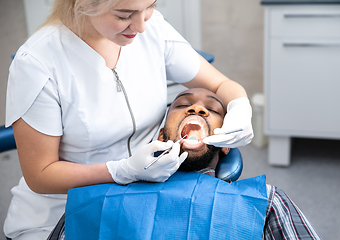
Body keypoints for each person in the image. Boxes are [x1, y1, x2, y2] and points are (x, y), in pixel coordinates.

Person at [4, 1, 254, 239]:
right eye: (124, 15)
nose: (142, 25)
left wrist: (239, 103)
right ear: (83, 4)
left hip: (143, 198)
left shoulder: (153, 28)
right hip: (63, 211)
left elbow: (221, 84)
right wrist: (121, 170)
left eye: (150, 6)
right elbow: (40, 175)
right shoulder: (38, 63)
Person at [48, 88, 322, 240]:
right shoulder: (94, 200)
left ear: (227, 142)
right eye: (182, 105)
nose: (197, 109)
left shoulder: (266, 204)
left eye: (213, 110)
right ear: (160, 135)